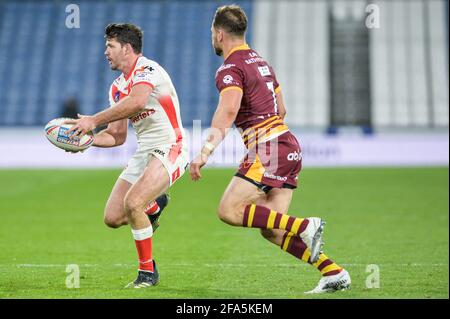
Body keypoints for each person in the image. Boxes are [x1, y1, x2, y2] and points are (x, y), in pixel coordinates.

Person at [189, 5, 351, 294]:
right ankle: (333, 272)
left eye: (212, 34)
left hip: (269, 149)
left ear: (219, 33)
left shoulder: (230, 68)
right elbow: (282, 109)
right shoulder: (261, 62)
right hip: (288, 145)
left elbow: (228, 111)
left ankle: (304, 225)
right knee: (273, 228)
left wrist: (204, 152)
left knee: (229, 210)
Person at [65, 23, 188, 288]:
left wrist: (92, 120)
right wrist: (84, 141)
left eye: (110, 46)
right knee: (113, 218)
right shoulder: (116, 87)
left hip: (170, 146)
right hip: (145, 151)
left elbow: (137, 102)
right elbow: (117, 136)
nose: (105, 52)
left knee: (133, 203)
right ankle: (155, 205)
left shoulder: (148, 69)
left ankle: (147, 273)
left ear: (127, 48)